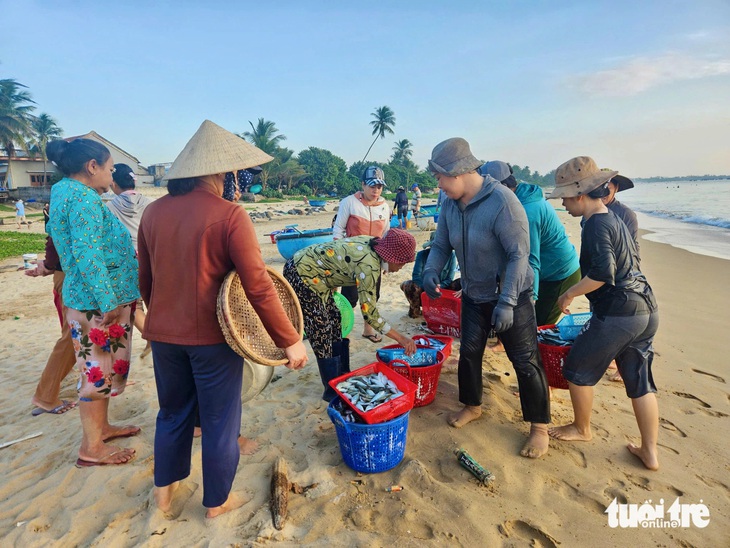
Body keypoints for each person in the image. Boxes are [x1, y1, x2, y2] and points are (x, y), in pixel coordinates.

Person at [137, 120, 308, 519]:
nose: (234, 178)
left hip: (163, 334)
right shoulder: (230, 215)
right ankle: (217, 503)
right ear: (217, 172)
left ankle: (164, 493)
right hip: (212, 340)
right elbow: (259, 286)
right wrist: (289, 339)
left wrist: (159, 321)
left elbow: (146, 280)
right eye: (230, 172)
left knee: (173, 413)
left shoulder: (153, 213)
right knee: (218, 420)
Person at [422, 137, 550, 459]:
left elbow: (519, 255)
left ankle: (539, 427)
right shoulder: (450, 204)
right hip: (475, 293)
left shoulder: (503, 203)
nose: (437, 183)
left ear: (458, 172)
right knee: (469, 352)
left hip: (512, 294)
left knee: (524, 360)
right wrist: (431, 271)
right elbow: (440, 246)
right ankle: (472, 405)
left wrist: (507, 301)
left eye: (439, 177)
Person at [546, 156, 659, 471]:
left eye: (566, 197)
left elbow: (603, 274)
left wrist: (568, 293)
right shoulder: (612, 216)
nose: (565, 204)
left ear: (581, 194)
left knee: (576, 368)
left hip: (620, 312)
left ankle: (581, 429)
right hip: (645, 309)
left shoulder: (596, 223)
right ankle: (649, 452)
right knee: (639, 380)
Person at [46, 138, 141, 467]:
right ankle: (91, 447)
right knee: (95, 374)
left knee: (99, 372)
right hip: (95, 303)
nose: (111, 175)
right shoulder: (83, 199)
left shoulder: (64, 192)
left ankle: (101, 429)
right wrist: (108, 299)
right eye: (110, 168)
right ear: (92, 167)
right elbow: (88, 256)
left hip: (90, 298)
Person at [284, 229, 418, 401]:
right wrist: (402, 339)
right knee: (321, 330)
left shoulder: (374, 244)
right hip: (301, 271)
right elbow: (370, 314)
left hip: (319, 276)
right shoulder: (369, 266)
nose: (400, 268)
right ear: (392, 258)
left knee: (334, 319)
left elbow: (338, 260)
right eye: (402, 263)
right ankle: (332, 390)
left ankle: (342, 376)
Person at [479, 161, 581, 326]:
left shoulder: (528, 212)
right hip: (543, 270)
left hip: (560, 273)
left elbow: (530, 259)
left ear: (502, 188)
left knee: (536, 326)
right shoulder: (513, 202)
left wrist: (530, 299)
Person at [332, 166, 390, 342]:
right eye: (372, 186)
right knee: (350, 297)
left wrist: (385, 262)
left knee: (372, 296)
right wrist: (338, 257)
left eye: (379, 187)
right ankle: (343, 330)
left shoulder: (385, 206)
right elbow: (338, 230)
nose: (376, 190)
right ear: (363, 185)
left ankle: (368, 329)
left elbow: (386, 233)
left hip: (374, 261)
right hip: (351, 260)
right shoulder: (349, 202)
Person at [25, 235, 78, 416]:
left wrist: (49, 265)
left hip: (71, 274)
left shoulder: (64, 206)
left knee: (77, 335)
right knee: (72, 337)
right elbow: (56, 237)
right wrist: (49, 264)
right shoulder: (67, 205)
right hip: (72, 276)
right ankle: (46, 397)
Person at [107, 164, 153, 357]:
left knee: (133, 305)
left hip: (126, 262)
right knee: (152, 302)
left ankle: (153, 337)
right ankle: (152, 336)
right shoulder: (151, 203)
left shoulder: (109, 207)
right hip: (151, 256)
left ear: (114, 184)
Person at [400, 233, 460, 318]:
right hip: (424, 290)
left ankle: (457, 312)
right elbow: (416, 276)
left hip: (443, 291)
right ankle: (415, 311)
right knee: (409, 285)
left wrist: (438, 287)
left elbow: (449, 278)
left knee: (461, 283)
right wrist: (428, 287)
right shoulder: (421, 255)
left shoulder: (451, 256)